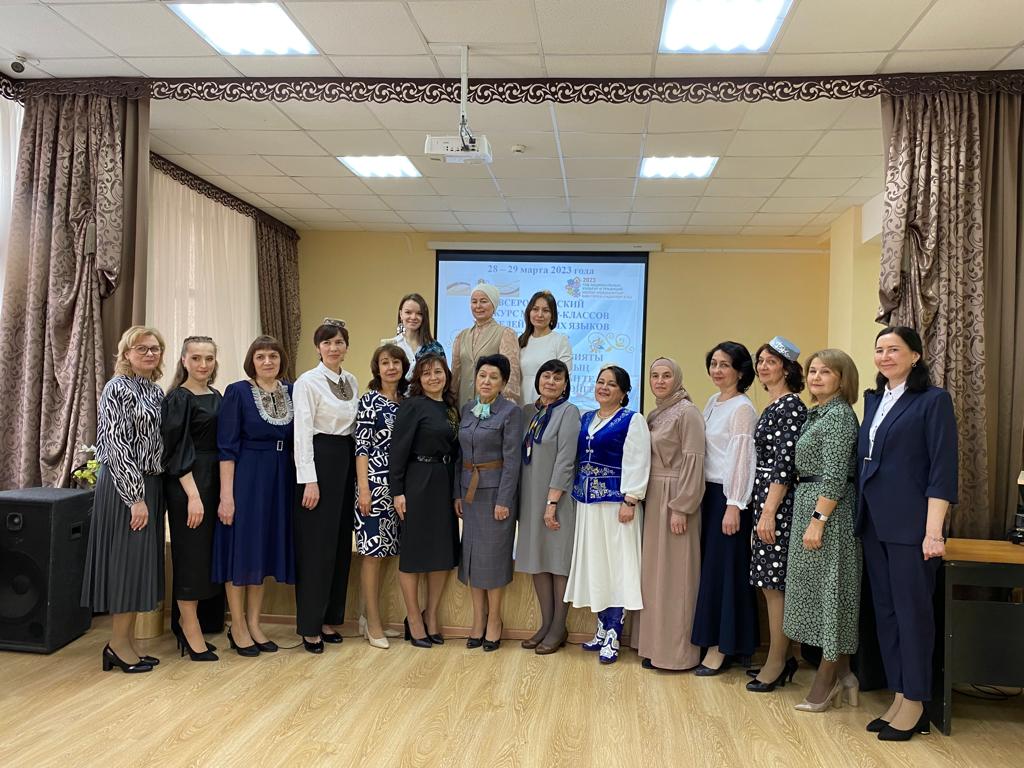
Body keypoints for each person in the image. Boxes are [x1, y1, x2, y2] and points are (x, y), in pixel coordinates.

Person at [858, 326, 957, 742]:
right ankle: (899, 695)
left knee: (913, 615)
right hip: (873, 523)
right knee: (887, 613)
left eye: (894, 349)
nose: (884, 356)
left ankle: (916, 701)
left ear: (915, 355)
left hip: (912, 528)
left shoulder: (933, 401)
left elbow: (942, 470)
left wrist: (934, 532)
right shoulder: (875, 399)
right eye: (879, 349)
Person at [82, 325, 167, 673]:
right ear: (127, 354)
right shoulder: (116, 388)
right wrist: (135, 497)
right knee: (125, 564)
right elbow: (116, 446)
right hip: (125, 488)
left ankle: (125, 642)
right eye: (141, 348)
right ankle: (117, 645)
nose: (149, 353)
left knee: (137, 565)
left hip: (151, 485)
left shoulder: (155, 391)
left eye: (155, 348)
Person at [783, 349, 862, 713]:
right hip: (810, 504)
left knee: (832, 593)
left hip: (829, 513)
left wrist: (818, 520)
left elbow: (834, 475)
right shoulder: (819, 413)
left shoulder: (840, 416)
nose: (815, 377)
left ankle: (828, 677)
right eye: (812, 371)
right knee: (821, 593)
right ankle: (845, 673)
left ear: (842, 380)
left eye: (825, 372)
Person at [214, 335, 296, 657]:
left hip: (280, 477)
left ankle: (254, 623)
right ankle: (237, 625)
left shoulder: (291, 391)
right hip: (247, 479)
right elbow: (226, 447)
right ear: (252, 361)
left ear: (281, 360)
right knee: (242, 550)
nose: (267, 362)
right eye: (260, 356)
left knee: (261, 551)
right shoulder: (237, 392)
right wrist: (227, 496)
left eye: (273, 356)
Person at [565, 365, 651, 665]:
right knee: (597, 565)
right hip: (588, 504)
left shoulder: (632, 420)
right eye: (600, 382)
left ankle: (614, 631)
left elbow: (638, 461)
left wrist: (631, 499)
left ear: (623, 391)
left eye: (611, 384)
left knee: (618, 566)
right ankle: (602, 626)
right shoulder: (587, 418)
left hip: (617, 505)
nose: (603, 387)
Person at [632, 357, 705, 672]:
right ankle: (653, 646)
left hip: (676, 499)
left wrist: (682, 506)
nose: (660, 381)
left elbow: (694, 460)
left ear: (677, 378)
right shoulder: (656, 413)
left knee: (677, 577)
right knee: (656, 575)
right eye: (655, 376)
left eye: (666, 376)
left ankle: (678, 653)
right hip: (654, 497)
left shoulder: (688, 413)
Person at [292, 319, 360, 654]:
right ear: (318, 348)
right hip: (319, 461)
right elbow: (302, 432)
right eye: (327, 342)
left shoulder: (351, 380)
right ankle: (309, 625)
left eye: (339, 342)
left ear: (346, 347)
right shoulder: (307, 382)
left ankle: (330, 618)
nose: (334, 348)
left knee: (339, 545)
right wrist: (309, 480)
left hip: (345, 458)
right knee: (317, 547)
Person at [692, 341, 759, 675]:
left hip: (728, 497)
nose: (717, 370)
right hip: (708, 494)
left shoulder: (742, 408)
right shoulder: (712, 402)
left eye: (724, 365)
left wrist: (734, 505)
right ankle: (716, 640)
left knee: (726, 572)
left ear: (740, 372)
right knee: (712, 571)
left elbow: (741, 460)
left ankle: (723, 647)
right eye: (713, 364)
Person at [746, 337, 807, 692]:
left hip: (778, 504)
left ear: (786, 368)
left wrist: (769, 513)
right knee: (768, 584)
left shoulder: (791, 407)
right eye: (761, 361)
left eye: (771, 361)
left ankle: (778, 661)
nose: (764, 366)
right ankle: (780, 657)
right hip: (765, 498)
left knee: (774, 584)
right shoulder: (773, 404)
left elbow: (785, 464)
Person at [389, 347, 461, 648]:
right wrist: (398, 492)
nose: (433, 377)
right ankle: (413, 619)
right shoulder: (413, 406)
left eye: (438, 372)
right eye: (426, 373)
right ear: (418, 378)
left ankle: (430, 615)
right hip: (418, 483)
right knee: (414, 555)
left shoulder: (450, 407)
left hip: (444, 483)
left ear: (447, 376)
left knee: (442, 556)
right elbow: (398, 451)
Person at [455, 354, 524, 651]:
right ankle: (477, 620)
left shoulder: (510, 412)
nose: (486, 381)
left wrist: (504, 500)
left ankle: (494, 620)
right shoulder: (468, 409)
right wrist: (457, 494)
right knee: (471, 558)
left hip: (496, 496)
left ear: (503, 383)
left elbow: (512, 460)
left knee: (493, 559)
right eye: (482, 375)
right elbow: (460, 455)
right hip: (469, 494)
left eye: (493, 377)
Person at [161, 335, 222, 662]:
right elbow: (175, 451)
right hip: (189, 485)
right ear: (184, 360)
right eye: (196, 358)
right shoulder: (178, 398)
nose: (203, 364)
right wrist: (194, 496)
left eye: (208, 358)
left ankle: (199, 621)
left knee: (207, 555)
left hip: (214, 481)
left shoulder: (216, 395)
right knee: (191, 555)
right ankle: (188, 624)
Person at [516, 359, 581, 655]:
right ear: (538, 380)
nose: (551, 382)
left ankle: (558, 627)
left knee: (557, 561)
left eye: (558, 378)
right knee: (537, 559)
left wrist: (552, 502)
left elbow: (566, 459)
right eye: (546, 376)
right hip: (530, 498)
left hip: (556, 499)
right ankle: (545, 624)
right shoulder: (527, 412)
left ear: (565, 384)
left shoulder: (569, 412)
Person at [354, 343, 409, 649]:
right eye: (385, 362)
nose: (391, 367)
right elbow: (361, 446)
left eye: (396, 362)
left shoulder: (407, 400)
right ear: (377, 368)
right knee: (372, 553)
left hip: (399, 485)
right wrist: (364, 488)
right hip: (373, 485)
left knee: (387, 552)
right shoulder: (369, 400)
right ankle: (373, 624)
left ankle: (366, 617)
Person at [450, 283, 521, 407]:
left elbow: (511, 374)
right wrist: (451, 400)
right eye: (474, 302)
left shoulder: (505, 333)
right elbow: (456, 374)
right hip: (463, 405)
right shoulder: (461, 336)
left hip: (493, 407)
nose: (478, 306)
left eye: (483, 301)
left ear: (494, 304)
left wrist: (507, 405)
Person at [517, 290, 573, 404]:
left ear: (553, 315)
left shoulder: (560, 340)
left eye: (546, 310)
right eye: (535, 309)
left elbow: (564, 377)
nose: (539, 314)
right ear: (529, 312)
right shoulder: (521, 341)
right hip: (520, 403)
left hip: (548, 405)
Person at [384, 293, 436, 380]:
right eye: (408, 312)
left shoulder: (435, 348)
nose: (413, 317)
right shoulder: (391, 346)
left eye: (419, 313)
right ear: (401, 314)